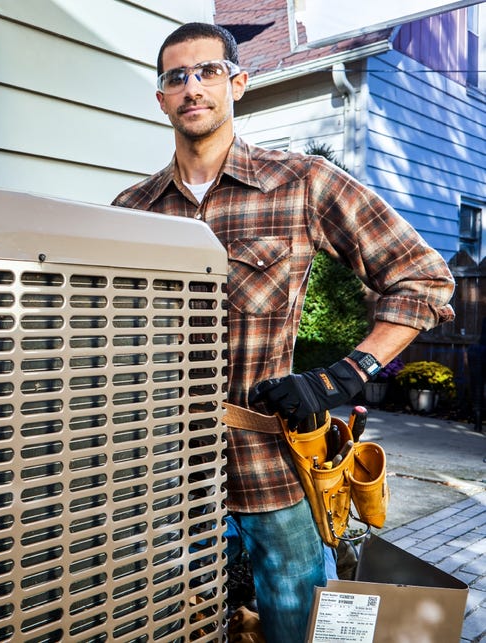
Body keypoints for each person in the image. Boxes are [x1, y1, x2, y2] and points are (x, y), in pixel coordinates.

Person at [112, 22, 455, 642]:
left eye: (208, 71)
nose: (192, 87)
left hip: (269, 462)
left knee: (297, 619)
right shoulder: (132, 211)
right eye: (175, 77)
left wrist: (342, 377)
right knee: (170, 619)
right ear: (160, 98)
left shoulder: (301, 183)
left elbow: (424, 280)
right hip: (159, 472)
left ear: (237, 83)